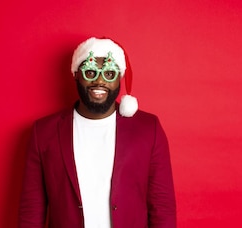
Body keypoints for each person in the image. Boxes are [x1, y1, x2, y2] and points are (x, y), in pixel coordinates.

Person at [18, 37, 176, 228]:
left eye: (109, 73)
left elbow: (162, 206)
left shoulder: (148, 129)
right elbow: (32, 210)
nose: (99, 80)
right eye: (90, 72)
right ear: (76, 74)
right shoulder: (43, 132)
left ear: (120, 78)